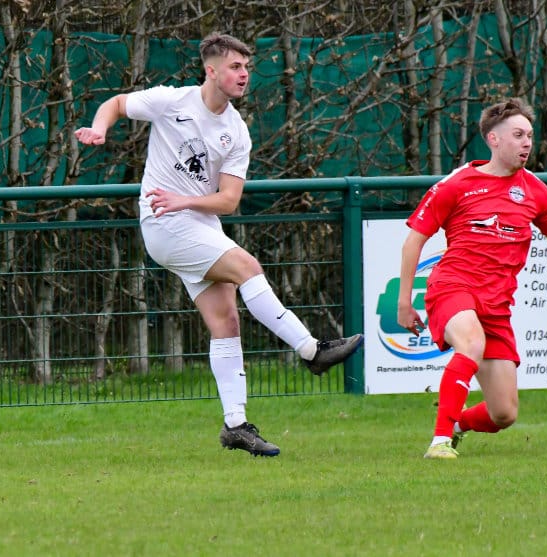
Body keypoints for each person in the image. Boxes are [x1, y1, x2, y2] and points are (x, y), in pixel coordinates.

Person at [74, 33, 363, 458]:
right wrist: (99, 129)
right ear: (211, 70)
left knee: (226, 321)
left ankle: (235, 425)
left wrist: (186, 200)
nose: (244, 75)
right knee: (248, 267)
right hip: (164, 223)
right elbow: (116, 104)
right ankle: (311, 350)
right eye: (235, 67)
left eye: (247, 67)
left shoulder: (236, 131)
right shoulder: (172, 101)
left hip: (199, 223)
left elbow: (228, 201)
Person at [397, 97, 547, 459]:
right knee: (471, 343)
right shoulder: (458, 184)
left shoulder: (535, 190)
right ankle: (439, 442)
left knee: (503, 413)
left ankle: (455, 424)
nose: (527, 143)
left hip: (497, 303)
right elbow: (414, 240)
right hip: (453, 286)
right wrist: (404, 301)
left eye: (530, 136)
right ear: (493, 139)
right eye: (518, 135)